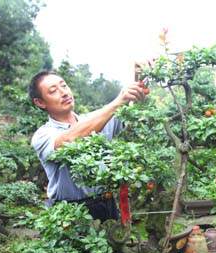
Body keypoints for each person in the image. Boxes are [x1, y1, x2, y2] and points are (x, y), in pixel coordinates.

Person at [29, 70, 146, 221]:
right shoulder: (43, 135)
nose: (63, 93)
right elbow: (71, 139)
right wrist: (118, 101)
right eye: (53, 91)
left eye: (64, 86)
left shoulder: (97, 118)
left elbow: (131, 108)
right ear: (40, 102)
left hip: (106, 203)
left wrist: (141, 76)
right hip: (70, 213)